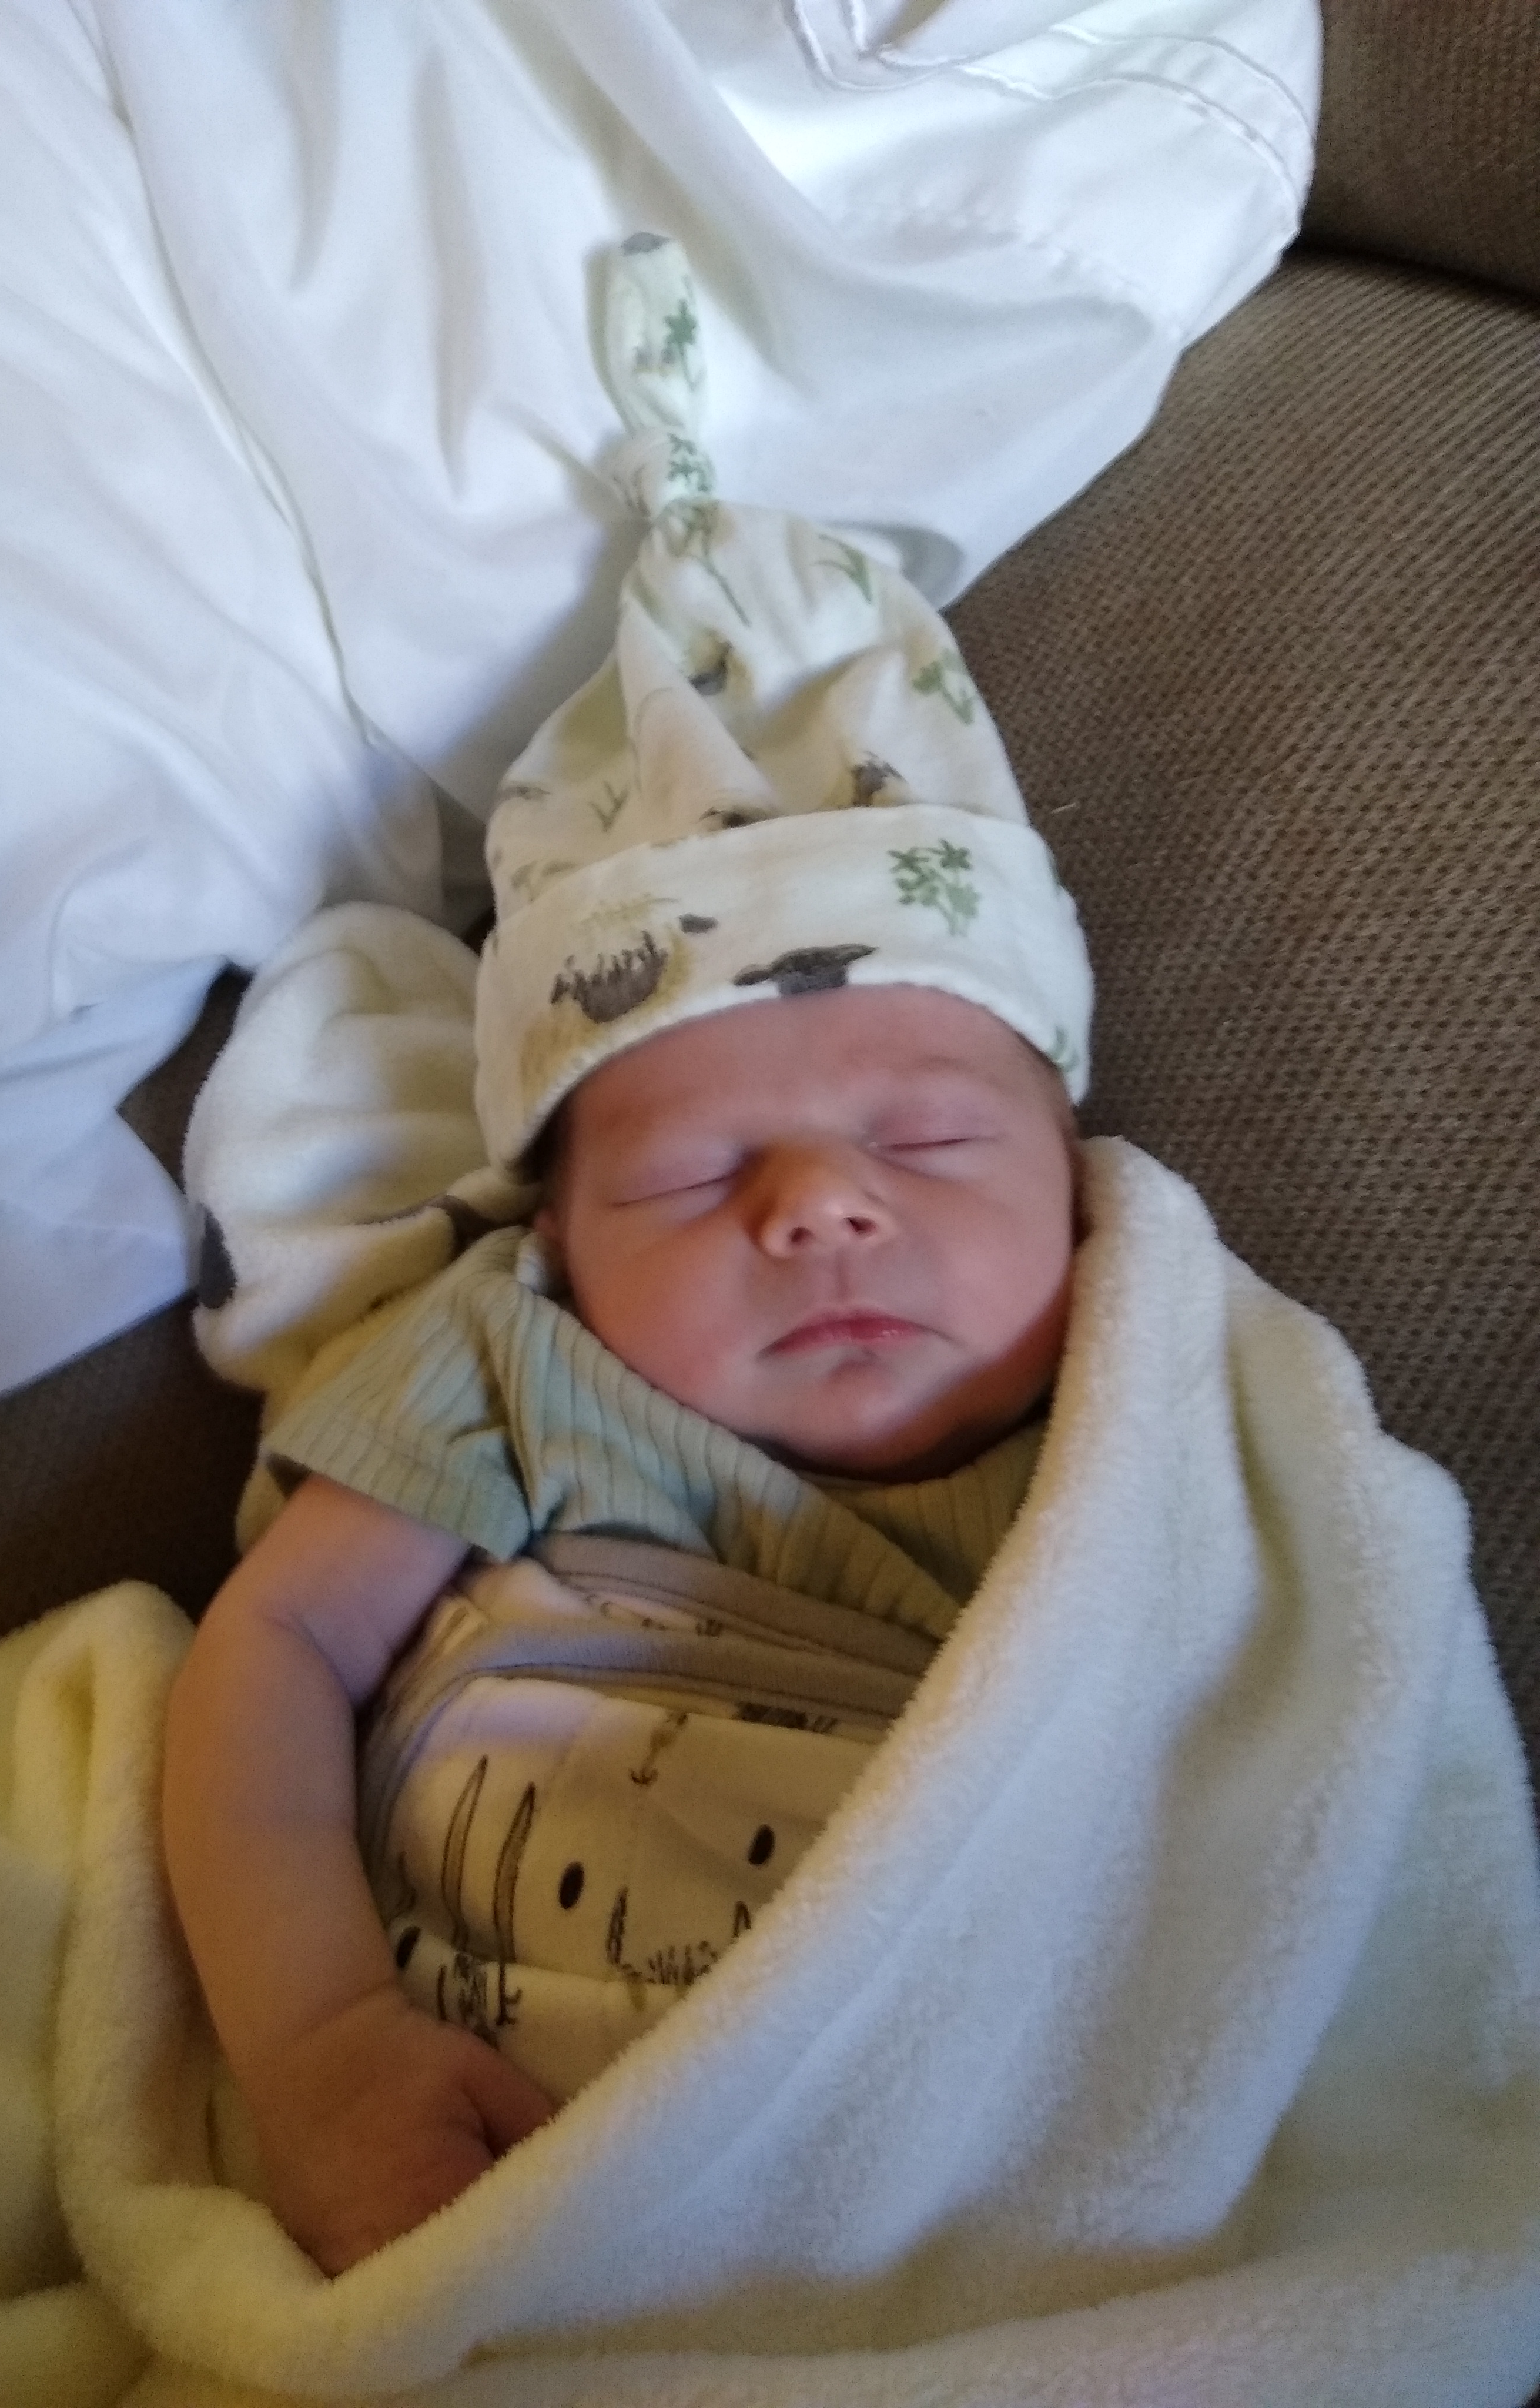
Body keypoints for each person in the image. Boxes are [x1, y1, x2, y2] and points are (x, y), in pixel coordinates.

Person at [162, 236, 1093, 2276]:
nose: (823, 1205)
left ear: (1080, 1171)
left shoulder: (1153, 1410)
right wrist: (318, 2050)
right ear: (557, 1233)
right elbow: (274, 1657)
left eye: (932, 1139)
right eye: (693, 1173)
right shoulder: (511, 1362)